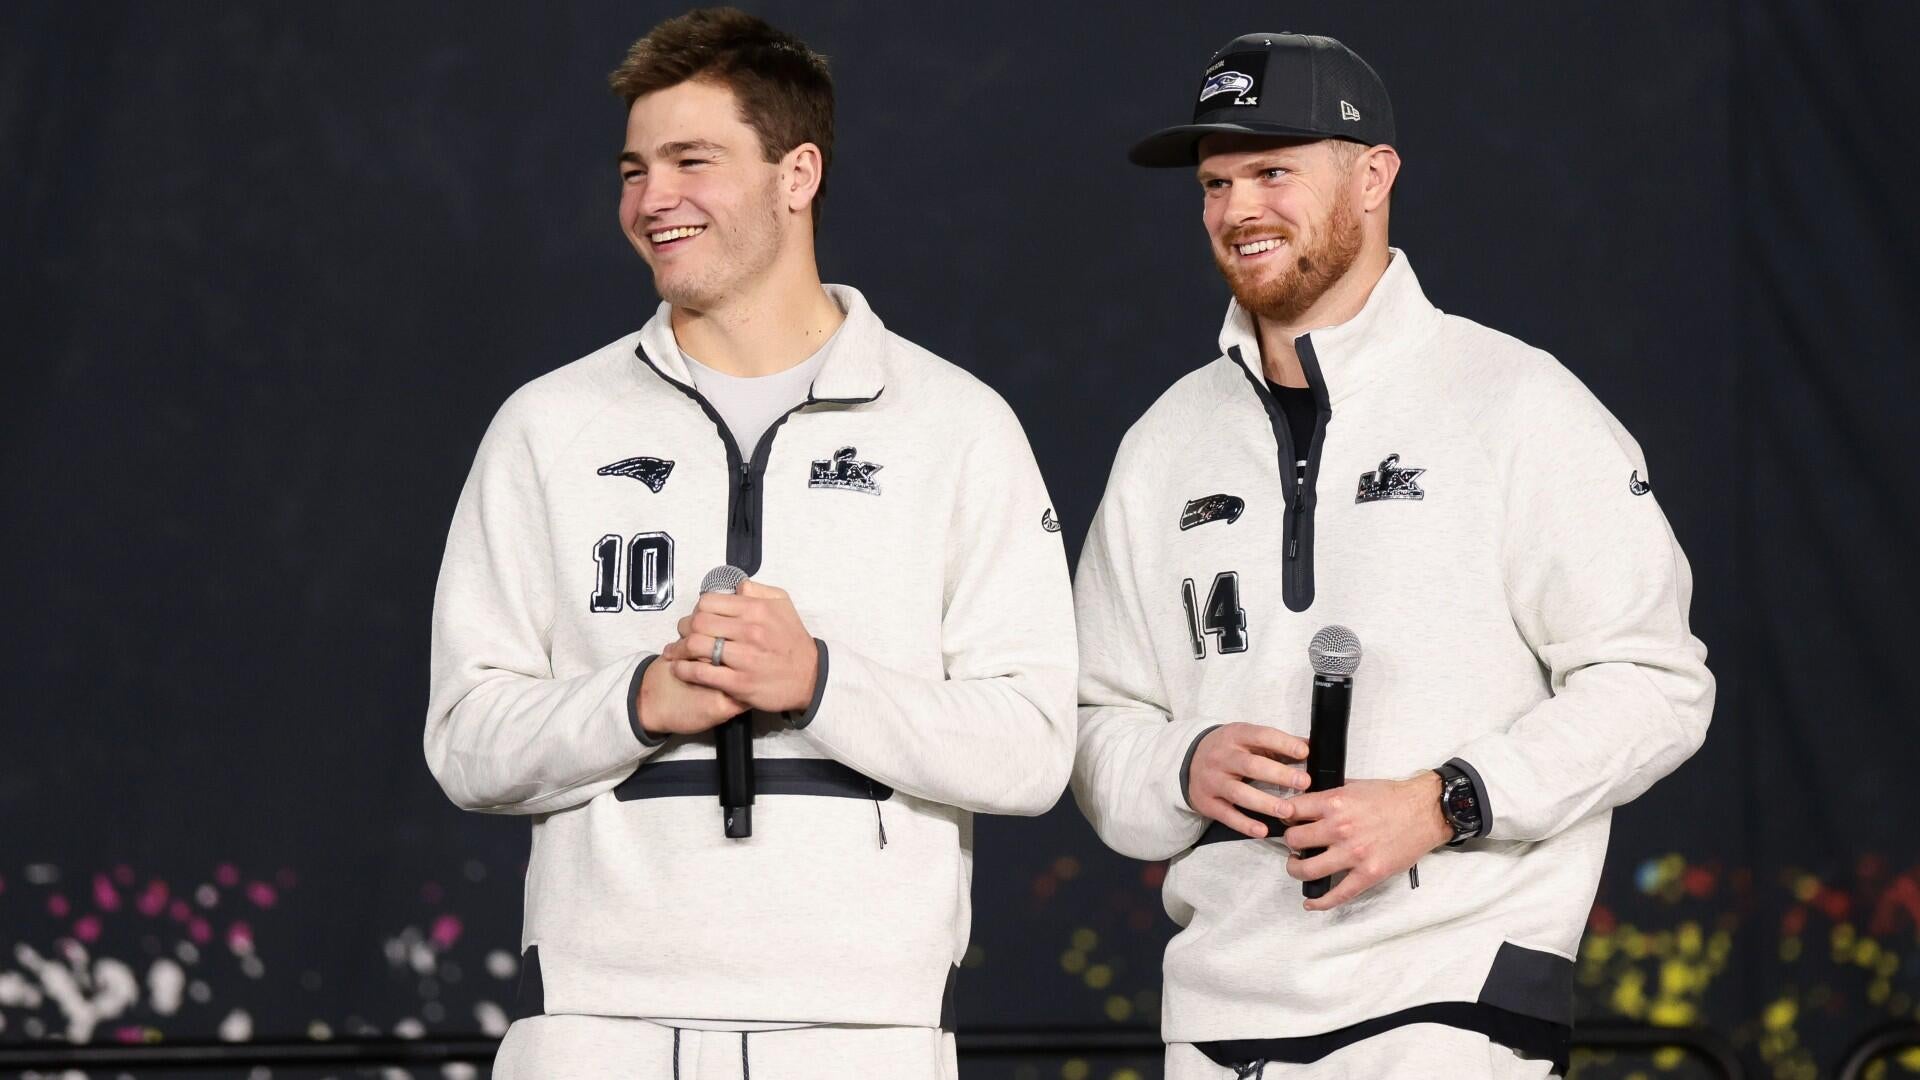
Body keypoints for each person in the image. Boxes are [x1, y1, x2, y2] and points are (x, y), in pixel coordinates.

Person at [423, 9, 1076, 1078]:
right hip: (593, 1029)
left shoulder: (958, 426)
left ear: (796, 173)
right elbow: (466, 740)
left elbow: (1034, 747)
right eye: (634, 170)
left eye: (693, 161)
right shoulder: (547, 425)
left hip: (864, 1036)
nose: (652, 199)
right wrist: (639, 700)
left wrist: (818, 682)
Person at [1070, 32, 1714, 1079]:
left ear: (1374, 177)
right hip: (1218, 1017)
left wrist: (1444, 802)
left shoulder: (1516, 401)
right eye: (1216, 183)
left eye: (1273, 172)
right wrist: (1181, 764)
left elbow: (1656, 684)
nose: (1237, 210)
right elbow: (1096, 721)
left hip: (1452, 1003)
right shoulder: (1164, 443)